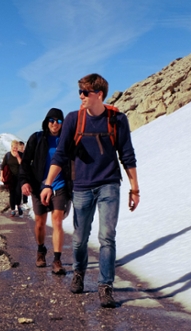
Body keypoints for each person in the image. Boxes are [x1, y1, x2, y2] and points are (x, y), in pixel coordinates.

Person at [40, 73, 140, 308]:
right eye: (80, 92)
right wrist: (47, 183)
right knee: (79, 239)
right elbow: (62, 155)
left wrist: (135, 189)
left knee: (107, 237)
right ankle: (79, 273)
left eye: (86, 92)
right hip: (82, 187)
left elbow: (127, 155)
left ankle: (105, 286)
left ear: (100, 95)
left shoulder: (117, 120)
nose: (81, 96)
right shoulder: (74, 120)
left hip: (109, 185)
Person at [19, 108, 71, 274]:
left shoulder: (66, 140)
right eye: (52, 120)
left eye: (59, 121)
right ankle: (41, 250)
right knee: (40, 223)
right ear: (46, 121)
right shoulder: (37, 138)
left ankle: (57, 260)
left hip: (60, 185)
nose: (55, 124)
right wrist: (24, 182)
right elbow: (25, 162)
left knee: (57, 221)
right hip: (38, 186)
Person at [0, 140, 23, 217]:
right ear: (11, 147)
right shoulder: (8, 155)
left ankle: (19, 206)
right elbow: (2, 166)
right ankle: (13, 210)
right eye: (14, 147)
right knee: (12, 193)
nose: (15, 149)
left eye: (16, 148)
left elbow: (22, 164)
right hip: (10, 177)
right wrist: (1, 176)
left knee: (18, 192)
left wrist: (18, 156)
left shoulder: (21, 154)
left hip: (19, 176)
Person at [17, 141, 29, 208]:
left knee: (25, 187)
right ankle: (19, 203)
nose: (22, 148)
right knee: (19, 189)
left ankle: (25, 202)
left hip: (25, 173)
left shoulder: (24, 153)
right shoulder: (18, 154)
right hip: (19, 173)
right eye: (21, 146)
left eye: (23, 146)